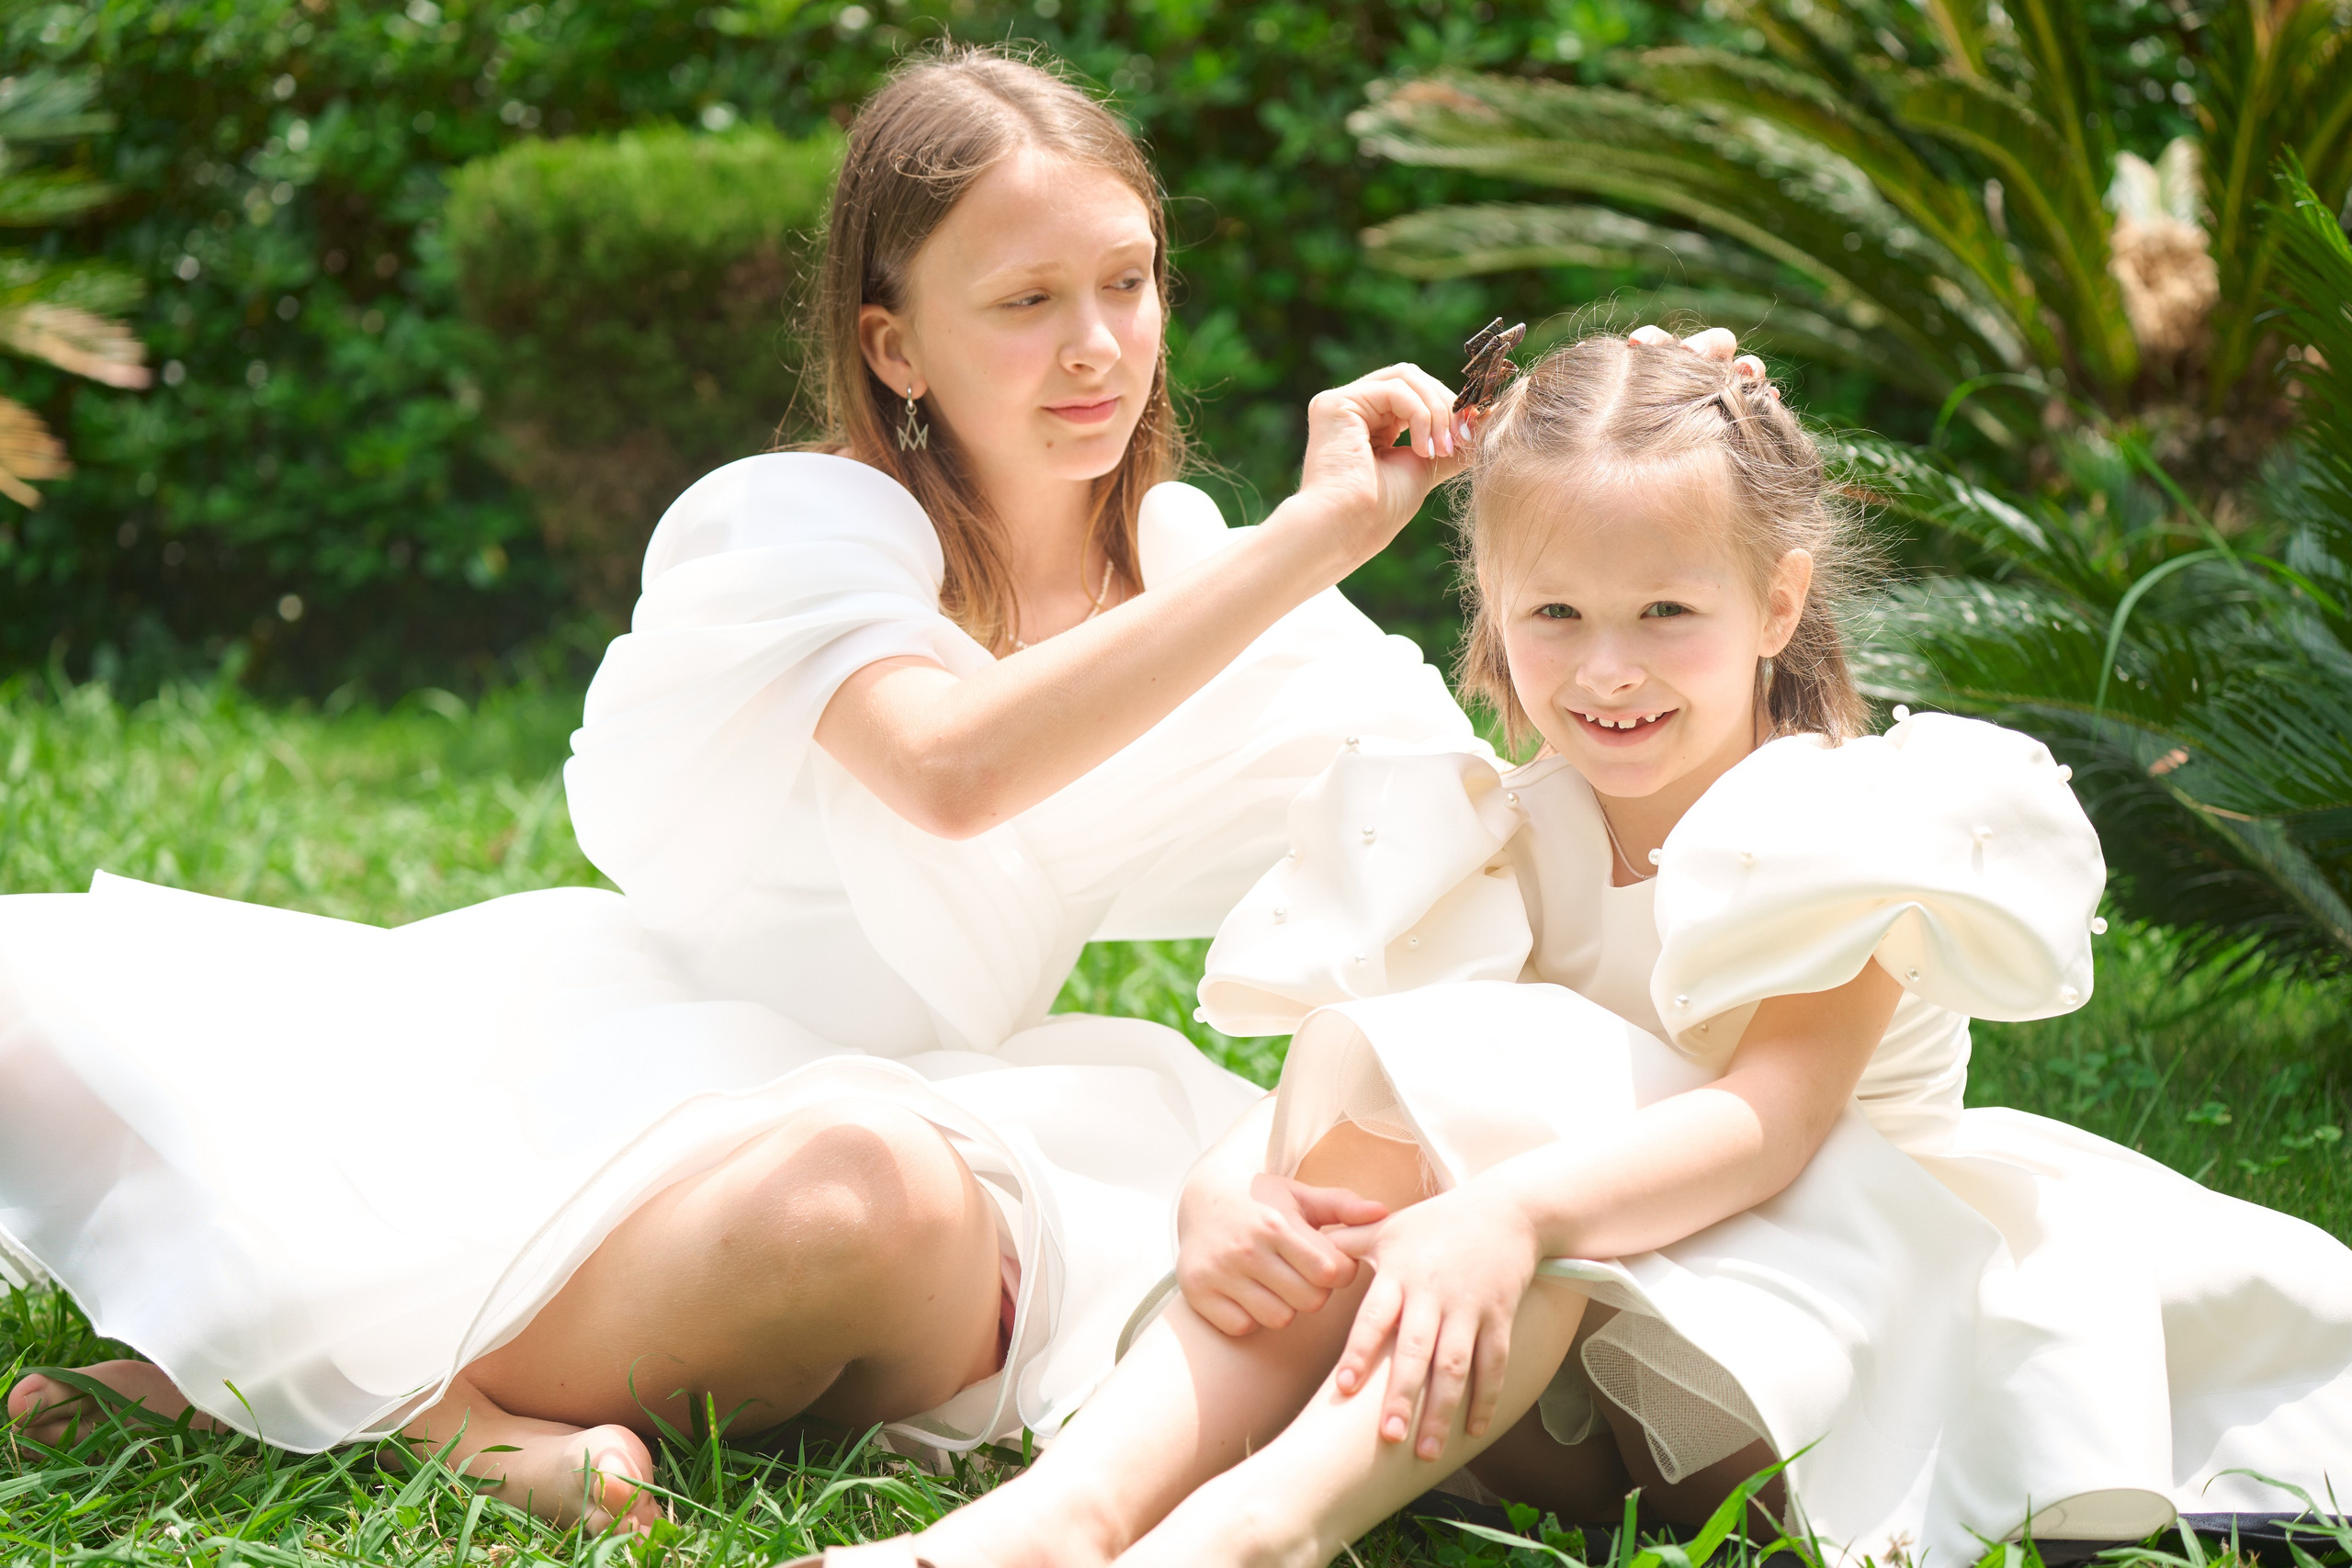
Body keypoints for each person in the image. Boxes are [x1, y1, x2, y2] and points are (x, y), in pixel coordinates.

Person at [0, 46, 1746, 1536]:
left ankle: (310, 1380)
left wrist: (1632, 458)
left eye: (1128, 283)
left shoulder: (1194, 568)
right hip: (653, 1070)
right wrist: (1308, 542)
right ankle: (411, 1410)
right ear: (895, 346)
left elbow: (1505, 804)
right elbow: (951, 769)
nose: (1098, 347)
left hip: (948, 1117)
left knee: (886, 1190)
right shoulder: (797, 526)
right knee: (820, 1176)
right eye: (1026, 302)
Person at [859, 333, 2352, 1568]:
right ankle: (1055, 1524)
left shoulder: (1835, 822)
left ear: (1777, 603)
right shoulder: (1498, 832)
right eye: (1557, 614)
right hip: (1566, 1360)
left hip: (1823, 1334)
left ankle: (1257, 1533)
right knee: (1399, 1136)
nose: (1609, 667)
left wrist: (1509, 1215)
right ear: (1494, 616)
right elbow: (1382, 1078)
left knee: (1537, 1105)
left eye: (1667, 612)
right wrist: (1228, 1190)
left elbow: (1768, 1122)